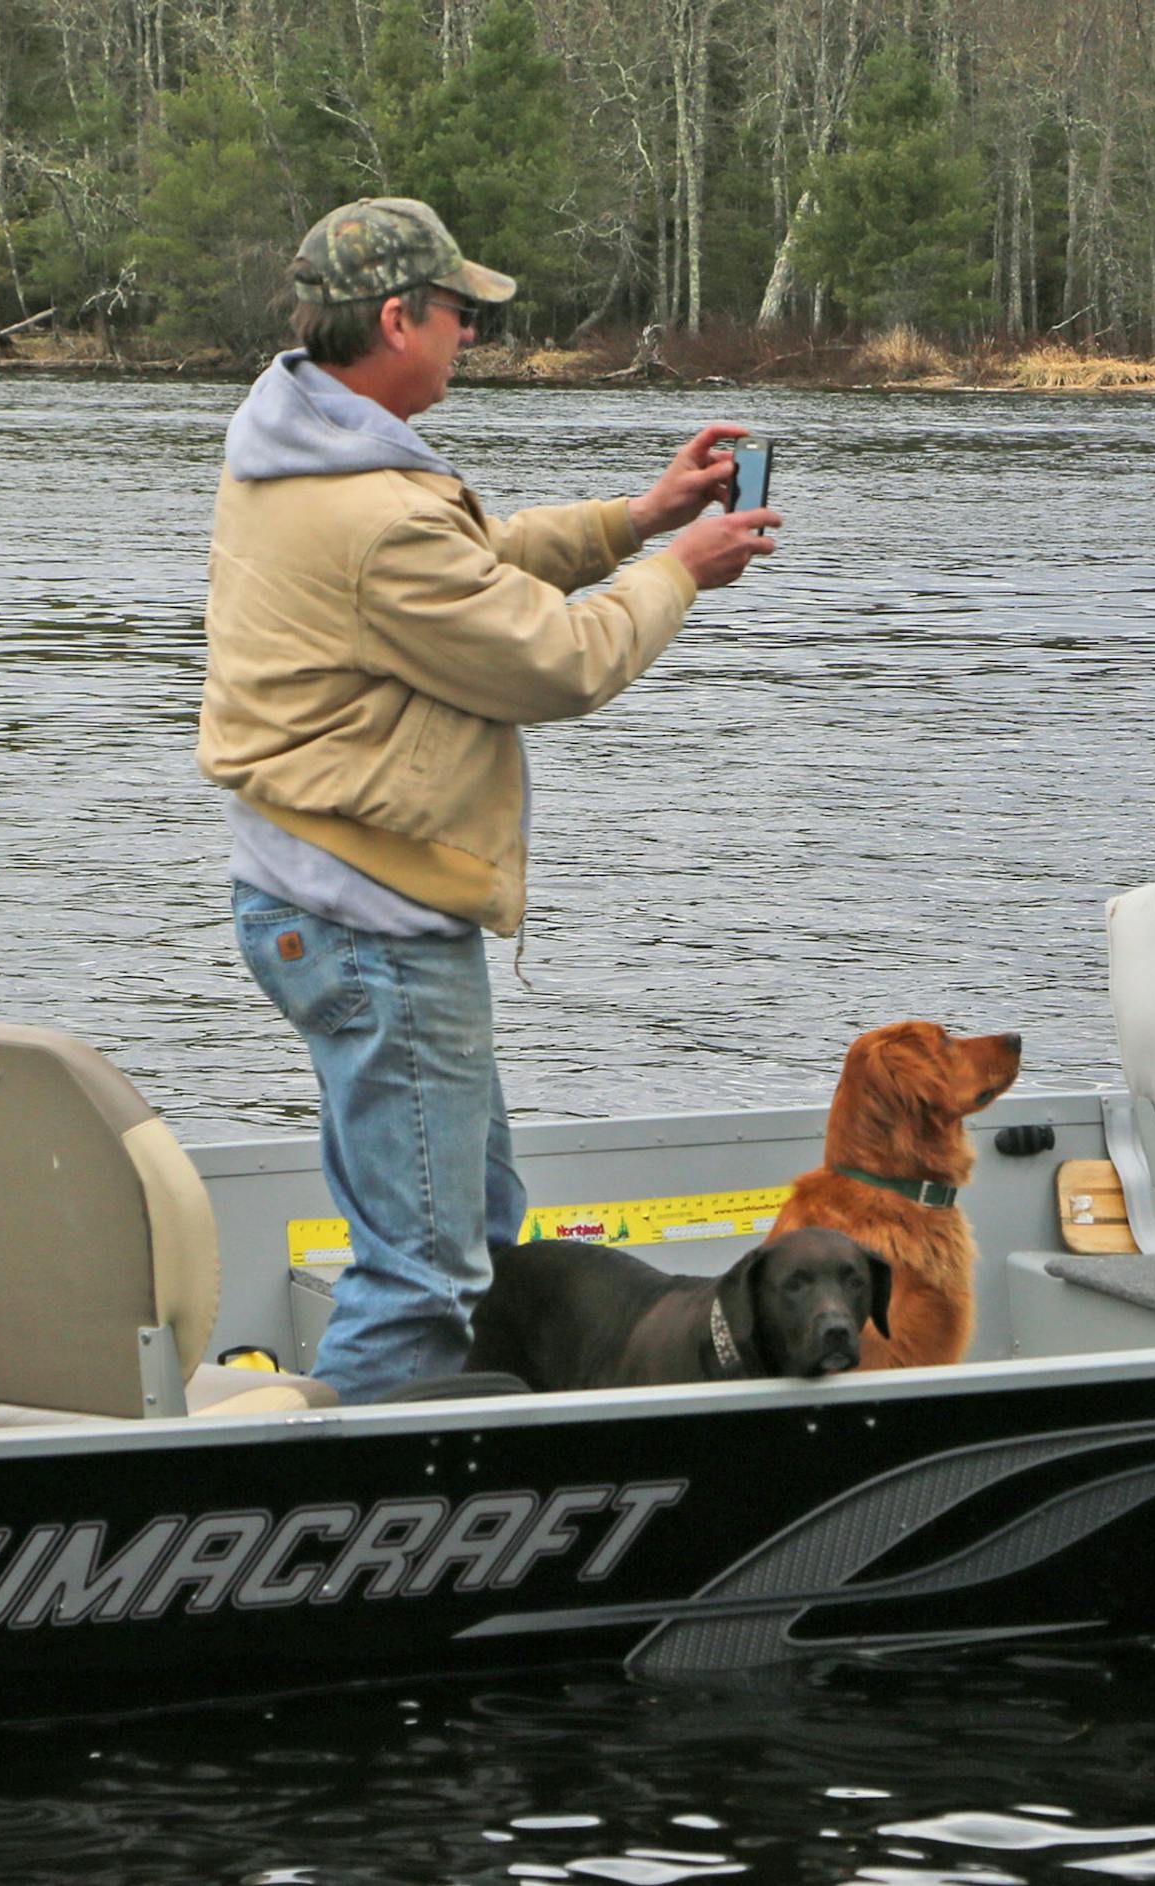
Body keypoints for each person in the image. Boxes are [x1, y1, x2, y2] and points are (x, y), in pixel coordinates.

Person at [197, 197, 780, 1401]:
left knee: (485, 1233)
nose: (474, 334)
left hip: (324, 898)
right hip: (374, 924)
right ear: (400, 316)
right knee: (426, 1275)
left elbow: (475, 566)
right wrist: (680, 571)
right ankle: (348, 1529)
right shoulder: (371, 505)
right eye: (462, 313)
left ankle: (480, 1477)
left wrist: (635, 520)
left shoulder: (300, 448)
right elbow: (554, 661)